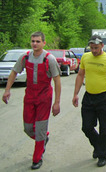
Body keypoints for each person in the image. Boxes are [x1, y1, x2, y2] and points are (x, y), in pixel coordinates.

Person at [2, 31, 61, 170]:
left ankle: (37, 158)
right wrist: (7, 90)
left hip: (44, 98)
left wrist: (57, 102)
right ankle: (43, 138)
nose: (35, 43)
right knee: (28, 128)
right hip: (29, 96)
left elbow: (57, 81)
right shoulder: (25, 57)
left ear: (44, 43)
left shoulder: (49, 59)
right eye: (33, 41)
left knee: (40, 127)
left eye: (38, 41)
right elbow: (14, 72)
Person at [72, 35, 106, 167]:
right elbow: (80, 75)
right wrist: (75, 94)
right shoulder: (85, 57)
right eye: (92, 48)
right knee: (87, 127)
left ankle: (102, 154)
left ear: (102, 46)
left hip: (105, 97)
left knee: (105, 128)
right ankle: (99, 146)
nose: (94, 50)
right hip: (89, 96)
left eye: (96, 48)